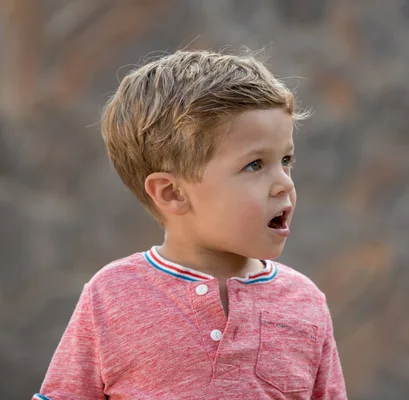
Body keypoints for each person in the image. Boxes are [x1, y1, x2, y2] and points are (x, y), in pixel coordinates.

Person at [33, 50, 347, 400]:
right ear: (172, 193)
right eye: (255, 165)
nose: (284, 183)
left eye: (285, 160)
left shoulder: (305, 302)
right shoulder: (111, 295)